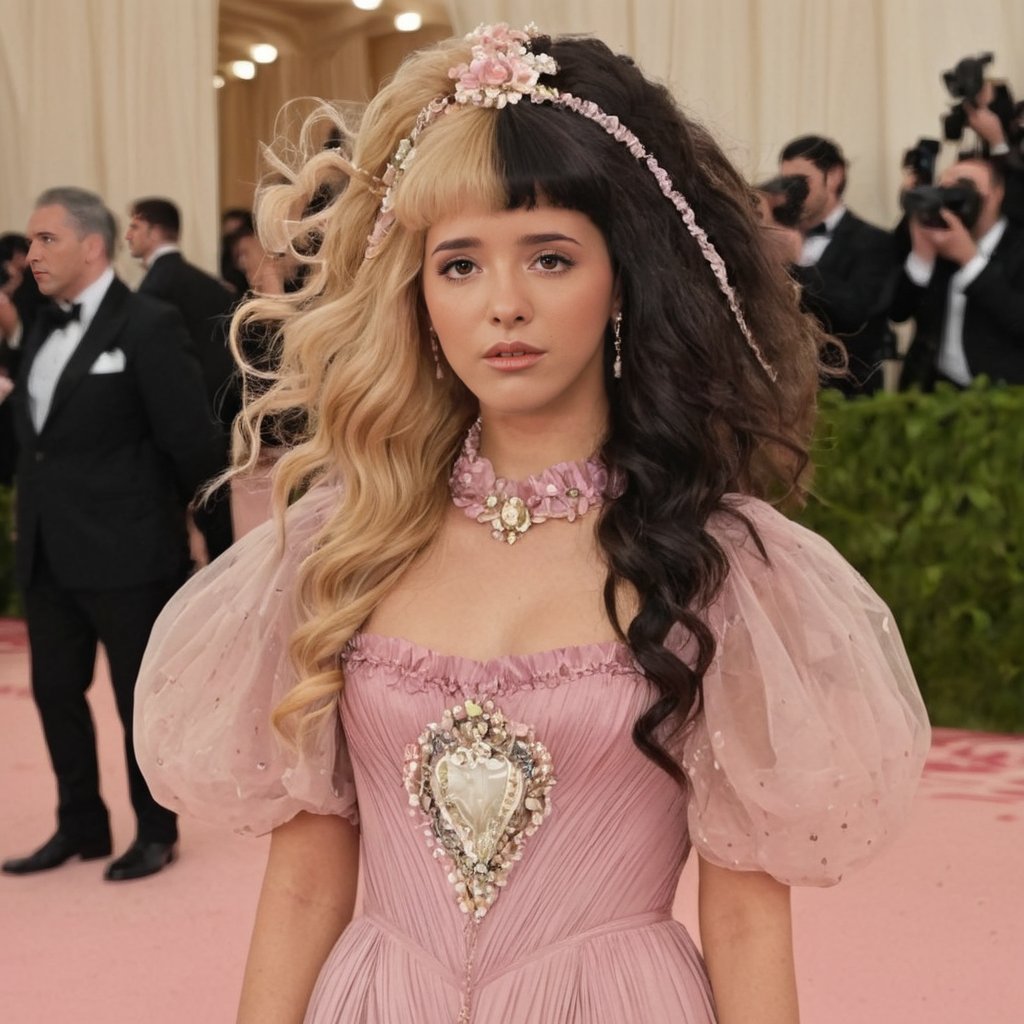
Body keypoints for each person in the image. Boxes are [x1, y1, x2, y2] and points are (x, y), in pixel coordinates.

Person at [135, 26, 930, 1023]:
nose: (501, 305)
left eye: (549, 257)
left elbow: (742, 923)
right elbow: (302, 881)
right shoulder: (344, 543)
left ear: (624, 281)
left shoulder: (719, 566)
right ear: (419, 296)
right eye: (459, 265)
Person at [0, 187, 219, 882]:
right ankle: (80, 825)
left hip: (129, 553)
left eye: (44, 240)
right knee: (56, 694)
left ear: (91, 246)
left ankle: (156, 831)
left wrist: (202, 545)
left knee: (135, 704)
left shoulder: (147, 324)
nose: (29, 256)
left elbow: (191, 442)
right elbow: (37, 445)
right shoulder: (37, 326)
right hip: (47, 550)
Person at [126, 196, 237, 558]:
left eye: (134, 227)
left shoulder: (154, 290)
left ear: (155, 231)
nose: (127, 236)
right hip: (222, 409)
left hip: (180, 418)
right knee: (218, 515)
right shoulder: (208, 284)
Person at [778, 135, 899, 396]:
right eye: (785, 182)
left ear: (833, 176)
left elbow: (858, 314)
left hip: (847, 397)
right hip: (786, 392)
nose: (791, 192)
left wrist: (799, 263)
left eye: (800, 182)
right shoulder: (777, 238)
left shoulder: (875, 241)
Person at [892, 154, 1024, 389]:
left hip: (1003, 397)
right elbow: (898, 312)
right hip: (934, 390)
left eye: (963, 186)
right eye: (943, 187)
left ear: (996, 194)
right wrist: (922, 255)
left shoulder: (1017, 246)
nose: (949, 194)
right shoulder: (940, 241)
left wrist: (970, 259)